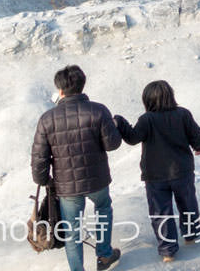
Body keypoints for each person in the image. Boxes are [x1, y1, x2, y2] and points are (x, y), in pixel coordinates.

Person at [30, 64, 123, 271]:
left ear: (60, 90)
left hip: (66, 187)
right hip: (97, 179)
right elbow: (112, 144)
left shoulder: (47, 119)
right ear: (82, 85)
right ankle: (105, 255)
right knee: (103, 210)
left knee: (72, 231)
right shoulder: (99, 110)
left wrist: (43, 180)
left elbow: (39, 156)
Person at [114, 79, 200, 264]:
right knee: (188, 204)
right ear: (170, 96)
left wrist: (120, 121)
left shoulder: (147, 119)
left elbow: (132, 138)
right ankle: (191, 236)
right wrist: (198, 146)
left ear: (148, 100)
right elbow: (195, 134)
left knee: (161, 212)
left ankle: (168, 252)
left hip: (156, 175)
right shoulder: (183, 114)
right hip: (182, 170)